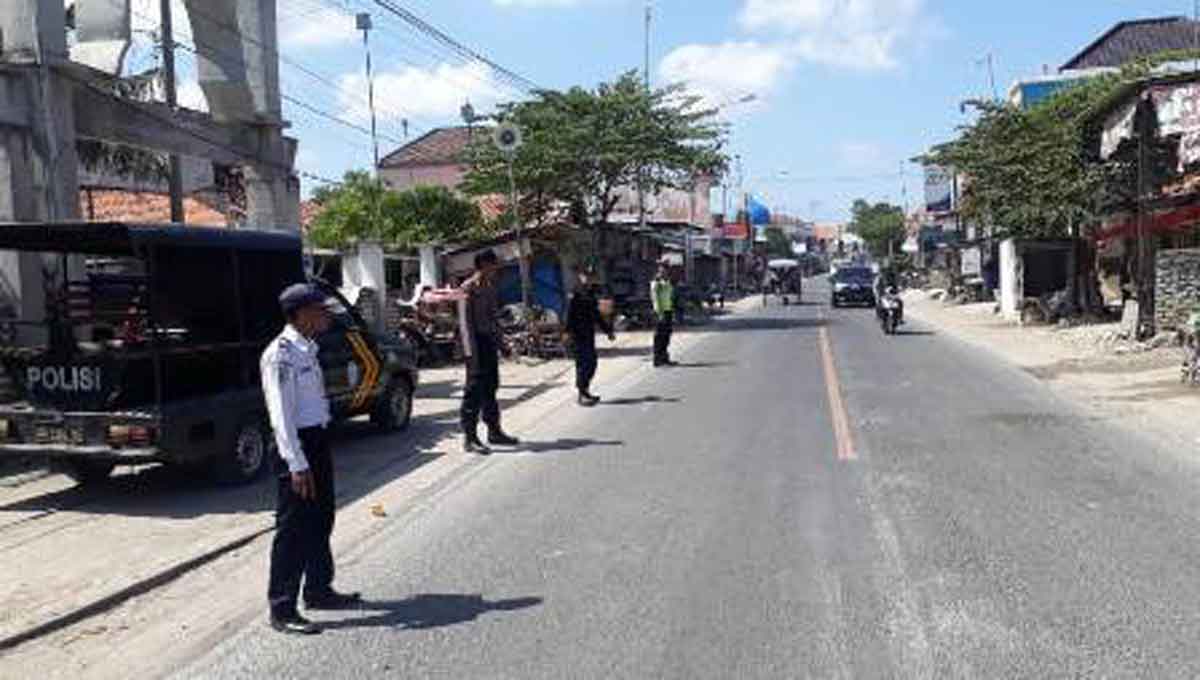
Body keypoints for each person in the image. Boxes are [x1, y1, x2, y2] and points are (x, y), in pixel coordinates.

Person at [261, 283, 361, 636]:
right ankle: (282, 607)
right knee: (293, 529)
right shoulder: (282, 354)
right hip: (297, 446)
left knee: (321, 517)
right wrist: (296, 463)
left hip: (316, 440)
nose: (325, 314)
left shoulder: (308, 348)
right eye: (319, 309)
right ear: (300, 313)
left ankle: (318, 589)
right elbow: (281, 416)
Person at [458, 249, 520, 454]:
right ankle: (470, 437)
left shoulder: (490, 287)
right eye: (493, 264)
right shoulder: (468, 288)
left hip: (488, 343)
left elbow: (494, 320)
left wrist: (503, 345)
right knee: (473, 391)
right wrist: (471, 355)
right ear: (483, 264)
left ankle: (494, 431)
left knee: (491, 388)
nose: (496, 268)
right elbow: (465, 326)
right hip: (474, 345)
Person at [566, 269, 615, 406]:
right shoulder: (575, 294)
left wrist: (608, 331)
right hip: (577, 335)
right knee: (583, 364)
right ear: (580, 277)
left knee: (592, 363)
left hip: (588, 334)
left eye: (590, 276)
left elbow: (596, 316)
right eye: (585, 276)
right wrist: (566, 333)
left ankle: (586, 390)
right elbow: (569, 315)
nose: (588, 279)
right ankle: (582, 394)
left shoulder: (591, 294)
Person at [651, 263, 676, 367]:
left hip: (668, 311)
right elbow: (655, 299)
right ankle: (657, 359)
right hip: (660, 313)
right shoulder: (656, 283)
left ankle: (664, 358)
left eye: (665, 270)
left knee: (666, 336)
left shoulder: (668, 282)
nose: (663, 272)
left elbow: (671, 297)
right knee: (659, 337)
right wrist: (659, 313)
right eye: (661, 271)